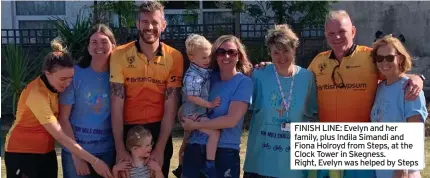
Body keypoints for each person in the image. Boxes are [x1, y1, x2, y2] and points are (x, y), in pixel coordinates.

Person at [256, 10, 423, 178]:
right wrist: (274, 65)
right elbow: (295, 78)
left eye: (342, 31)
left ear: (353, 31)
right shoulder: (318, 61)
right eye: (331, 33)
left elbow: (392, 74)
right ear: (326, 36)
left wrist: (416, 77)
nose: (337, 37)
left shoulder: (370, 57)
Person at [4, 39, 112, 178]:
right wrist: (94, 161)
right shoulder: (37, 94)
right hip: (21, 153)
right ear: (47, 73)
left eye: (70, 78)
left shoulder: (56, 87)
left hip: (46, 152)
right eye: (63, 79)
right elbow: (60, 135)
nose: (67, 84)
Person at [109, 1, 184, 177]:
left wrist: (159, 147)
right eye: (144, 22)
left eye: (155, 22)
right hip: (128, 130)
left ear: (163, 25)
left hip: (159, 130)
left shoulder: (175, 57)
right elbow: (116, 103)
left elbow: (171, 106)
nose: (149, 27)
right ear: (137, 24)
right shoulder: (119, 54)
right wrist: (120, 147)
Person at [243, 24, 318, 178]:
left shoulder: (307, 77)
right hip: (261, 162)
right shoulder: (259, 75)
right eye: (276, 52)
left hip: (292, 165)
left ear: (294, 49)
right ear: (269, 53)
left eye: (286, 51)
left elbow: (312, 114)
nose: (282, 57)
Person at [180, 35, 254, 178]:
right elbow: (184, 107)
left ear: (239, 56)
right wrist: (186, 116)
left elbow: (231, 120)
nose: (226, 56)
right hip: (195, 147)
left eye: (232, 52)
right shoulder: (204, 77)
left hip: (225, 150)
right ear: (214, 55)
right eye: (221, 52)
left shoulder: (243, 82)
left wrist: (194, 125)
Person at [59, 24, 117, 178]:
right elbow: (63, 119)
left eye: (104, 42)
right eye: (94, 42)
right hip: (76, 152)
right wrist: (77, 156)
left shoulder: (118, 76)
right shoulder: (74, 75)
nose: (99, 46)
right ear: (88, 47)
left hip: (107, 151)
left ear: (113, 45)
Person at [370, 35, 426, 178]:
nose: (384, 63)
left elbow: (414, 134)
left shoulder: (410, 88)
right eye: (379, 58)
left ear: (400, 58)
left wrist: (401, 170)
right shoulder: (379, 88)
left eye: (389, 58)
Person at [173, 34, 221, 178]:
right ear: (191, 57)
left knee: (186, 142)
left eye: (209, 57)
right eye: (204, 58)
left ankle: (181, 167)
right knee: (214, 133)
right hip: (194, 114)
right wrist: (210, 104)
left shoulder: (203, 70)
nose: (208, 60)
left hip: (195, 113)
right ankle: (209, 164)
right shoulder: (193, 76)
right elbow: (192, 97)